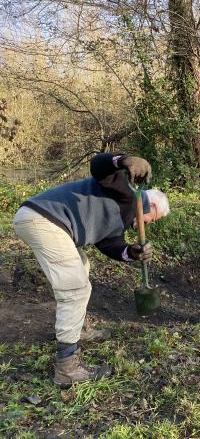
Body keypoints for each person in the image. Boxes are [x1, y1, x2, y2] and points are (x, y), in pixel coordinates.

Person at [12, 152, 170, 387]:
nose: (147, 224)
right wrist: (124, 160)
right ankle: (67, 366)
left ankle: (79, 327)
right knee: (75, 287)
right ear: (151, 204)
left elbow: (108, 243)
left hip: (50, 222)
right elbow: (99, 167)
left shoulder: (123, 215)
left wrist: (131, 252)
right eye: (152, 219)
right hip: (44, 218)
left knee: (82, 266)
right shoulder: (126, 193)